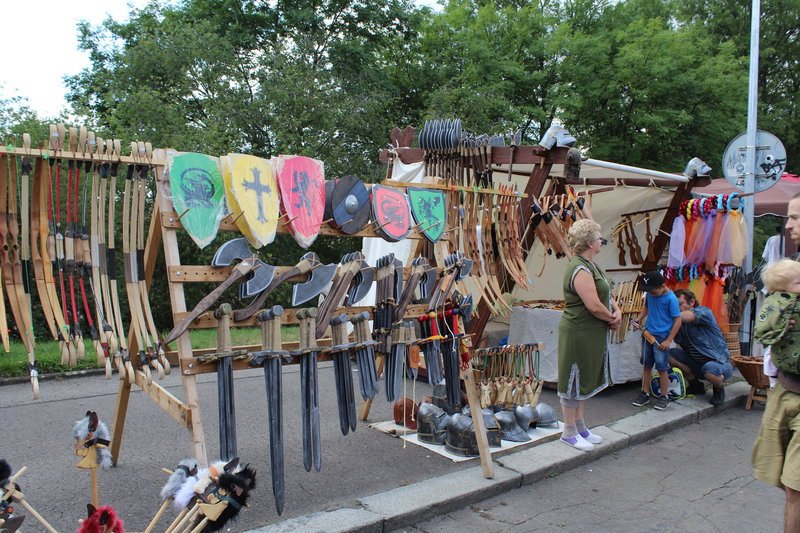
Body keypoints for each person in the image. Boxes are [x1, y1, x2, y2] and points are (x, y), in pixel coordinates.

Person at [752, 192, 800, 533]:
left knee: (796, 488)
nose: (789, 224)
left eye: (796, 217)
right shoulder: (791, 268)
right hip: (785, 388)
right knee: (786, 483)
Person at [557, 219, 621, 452]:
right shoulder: (579, 268)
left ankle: (580, 426)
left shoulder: (591, 264)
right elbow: (593, 304)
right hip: (579, 332)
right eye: (599, 237)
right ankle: (569, 432)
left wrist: (616, 311)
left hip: (591, 332)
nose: (601, 240)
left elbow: (604, 293)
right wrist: (610, 318)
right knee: (574, 379)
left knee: (584, 379)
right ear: (590, 242)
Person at [668, 288, 733, 406]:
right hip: (697, 364)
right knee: (669, 354)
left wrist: (667, 315)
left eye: (680, 304)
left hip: (719, 363)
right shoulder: (678, 323)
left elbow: (686, 316)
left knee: (710, 368)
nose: (677, 307)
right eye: (674, 305)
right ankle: (696, 385)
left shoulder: (704, 311)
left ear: (691, 302)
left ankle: (718, 389)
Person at [631, 271, 681, 410]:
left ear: (663, 286)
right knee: (646, 365)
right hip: (648, 334)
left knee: (662, 367)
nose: (651, 293)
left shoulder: (671, 299)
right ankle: (644, 393)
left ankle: (664, 396)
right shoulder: (650, 295)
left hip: (662, 337)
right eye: (649, 291)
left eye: (653, 290)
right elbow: (646, 307)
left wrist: (669, 340)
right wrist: (639, 319)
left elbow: (678, 320)